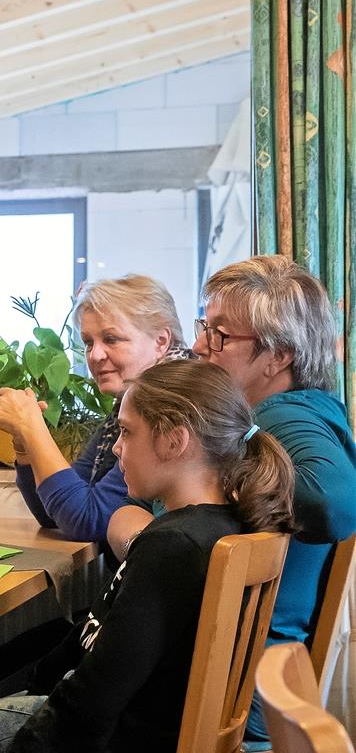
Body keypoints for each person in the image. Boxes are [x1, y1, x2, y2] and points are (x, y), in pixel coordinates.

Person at [0, 359, 296, 753]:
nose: (116, 448)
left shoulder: (173, 545)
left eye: (128, 432)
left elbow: (95, 697)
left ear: (174, 440)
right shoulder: (221, 528)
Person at [188, 254, 356, 746]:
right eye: (206, 326)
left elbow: (334, 504)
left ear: (278, 356)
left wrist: (216, 475)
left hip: (235, 699)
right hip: (246, 687)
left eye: (220, 334)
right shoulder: (283, 414)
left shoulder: (280, 419)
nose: (201, 345)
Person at [0, 274, 193, 550]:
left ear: (161, 340)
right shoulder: (132, 398)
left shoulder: (172, 399)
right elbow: (53, 512)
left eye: (111, 339)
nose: (95, 355)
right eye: (88, 342)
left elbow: (88, 519)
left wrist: (33, 427)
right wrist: (25, 446)